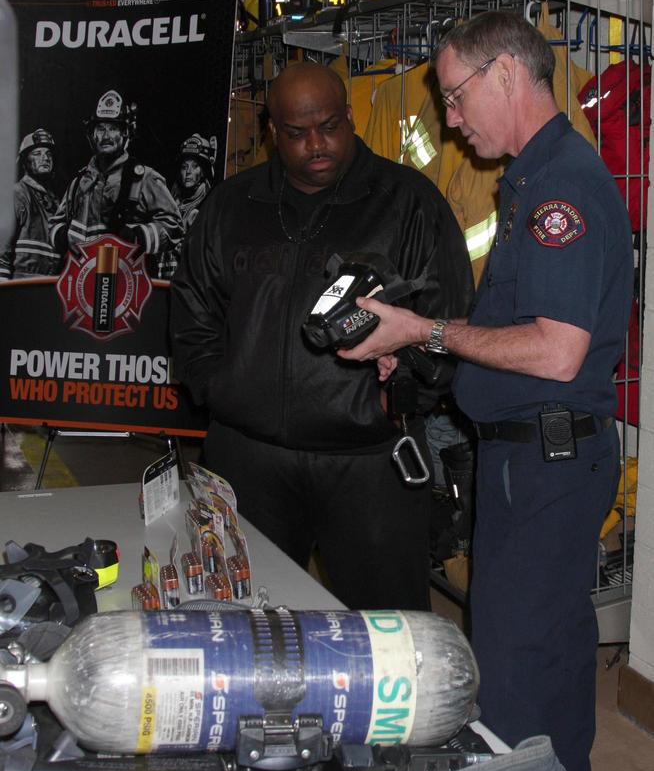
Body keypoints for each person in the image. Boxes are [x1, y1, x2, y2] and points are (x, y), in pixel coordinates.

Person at [338, 11, 633, 771]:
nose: (450, 118)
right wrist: (428, 344)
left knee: (519, 673)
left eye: (457, 95)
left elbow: (557, 350)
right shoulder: (535, 179)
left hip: (545, 465)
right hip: (533, 460)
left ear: (506, 74)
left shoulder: (561, 189)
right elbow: (511, 328)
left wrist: (426, 329)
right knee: (545, 660)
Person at [170, 61, 473, 611]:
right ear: (271, 133)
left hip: (370, 463)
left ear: (351, 118)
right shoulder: (231, 206)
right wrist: (219, 388)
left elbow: (447, 320)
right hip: (248, 460)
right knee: (242, 618)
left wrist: (396, 398)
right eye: (296, 133)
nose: (316, 144)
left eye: (330, 126)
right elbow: (193, 307)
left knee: (387, 629)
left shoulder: (408, 203)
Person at [49, 90, 183, 278]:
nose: (106, 136)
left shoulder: (144, 179)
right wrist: (63, 237)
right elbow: (55, 224)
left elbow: (174, 225)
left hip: (126, 286)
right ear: (92, 134)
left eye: (113, 128)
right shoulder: (79, 183)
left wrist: (139, 236)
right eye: (100, 128)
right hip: (82, 283)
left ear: (125, 133)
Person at [0, 128, 61, 280]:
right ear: (24, 162)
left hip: (49, 285)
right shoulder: (17, 194)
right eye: (37, 153)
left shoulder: (57, 202)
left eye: (48, 154)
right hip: (22, 285)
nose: (45, 158)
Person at [159, 133, 216, 279]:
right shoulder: (170, 203)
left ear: (203, 171)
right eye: (184, 167)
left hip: (189, 285)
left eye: (195, 166)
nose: (188, 172)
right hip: (162, 281)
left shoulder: (209, 207)